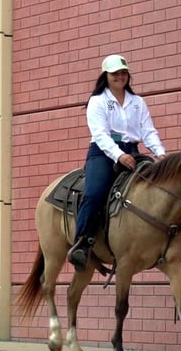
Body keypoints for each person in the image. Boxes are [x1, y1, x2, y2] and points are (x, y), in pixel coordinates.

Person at [67, 54, 166, 272]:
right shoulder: (98, 101)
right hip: (102, 153)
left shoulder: (137, 102)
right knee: (95, 192)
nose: (120, 77)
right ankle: (82, 242)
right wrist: (118, 155)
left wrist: (160, 154)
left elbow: (148, 131)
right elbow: (100, 135)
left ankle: (172, 241)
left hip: (132, 151)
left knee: (158, 186)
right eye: (115, 73)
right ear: (106, 76)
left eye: (123, 73)